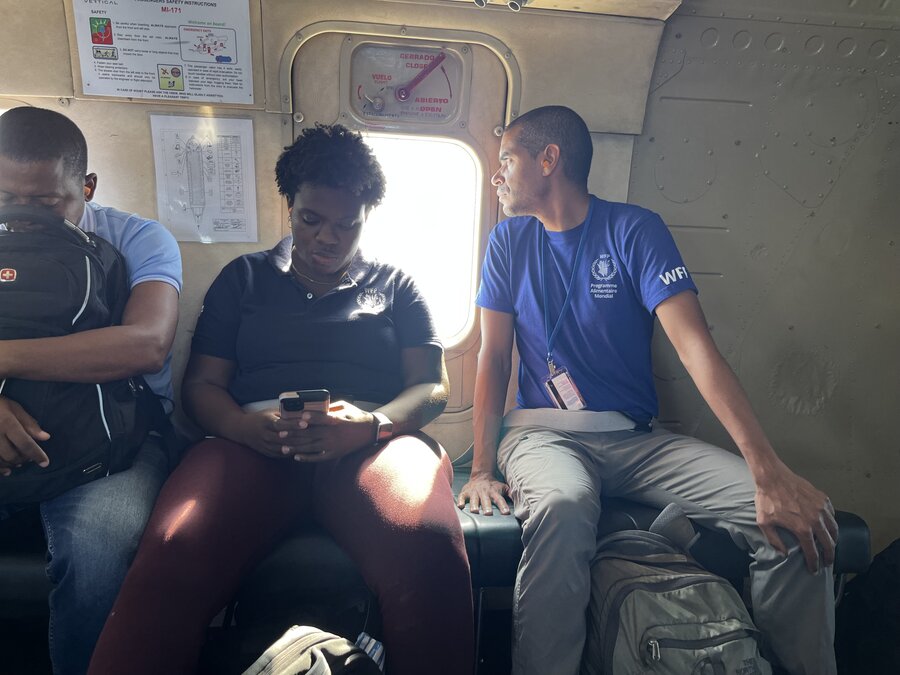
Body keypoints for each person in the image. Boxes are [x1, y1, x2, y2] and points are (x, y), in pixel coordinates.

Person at [457, 105, 838, 675]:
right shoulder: (508, 242)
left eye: (507, 158)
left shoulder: (634, 230)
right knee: (561, 506)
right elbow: (491, 357)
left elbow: (696, 349)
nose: (498, 175)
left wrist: (768, 470)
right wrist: (484, 467)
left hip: (637, 441)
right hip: (543, 436)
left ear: (548, 159)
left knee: (801, 517)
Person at [88, 124, 474, 675]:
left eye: (347, 224)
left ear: (366, 218)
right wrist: (245, 429)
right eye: (311, 219)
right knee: (174, 546)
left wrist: (370, 424)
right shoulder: (242, 280)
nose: (327, 238)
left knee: (427, 543)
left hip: (370, 445)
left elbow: (433, 387)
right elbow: (201, 388)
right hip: (251, 444)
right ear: (289, 207)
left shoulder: (397, 286)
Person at [0, 106, 182, 675]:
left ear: (86, 187)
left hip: (117, 440)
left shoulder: (139, 239)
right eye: (8, 199)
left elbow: (145, 344)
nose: (24, 216)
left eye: (46, 202)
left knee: (97, 555)